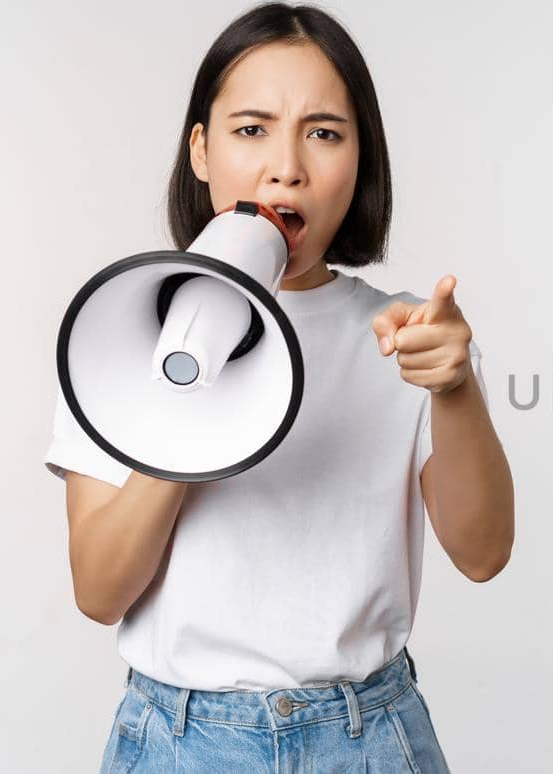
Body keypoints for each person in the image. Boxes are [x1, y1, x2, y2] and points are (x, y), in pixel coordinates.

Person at [42, 4, 515, 771]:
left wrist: (454, 391)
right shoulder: (121, 333)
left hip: (364, 739)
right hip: (178, 740)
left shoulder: (406, 335)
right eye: (251, 129)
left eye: (324, 133)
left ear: (360, 159)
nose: (285, 165)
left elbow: (484, 553)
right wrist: (193, 402)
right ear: (201, 150)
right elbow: (100, 591)